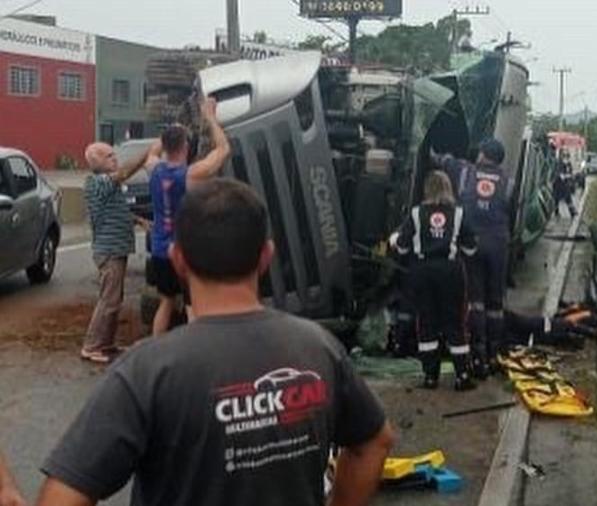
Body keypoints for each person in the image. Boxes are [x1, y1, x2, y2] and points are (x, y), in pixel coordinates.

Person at [37, 179, 394, 506]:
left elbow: (62, 498)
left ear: (178, 260)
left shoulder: (146, 371)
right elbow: (374, 441)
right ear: (266, 257)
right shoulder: (319, 348)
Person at [150, 98, 231, 335]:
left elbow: (154, 150)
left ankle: (157, 349)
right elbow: (224, 149)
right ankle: (195, 350)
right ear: (186, 146)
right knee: (191, 305)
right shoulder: (191, 174)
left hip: (159, 250)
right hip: (184, 251)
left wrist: (172, 128)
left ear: (164, 146)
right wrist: (210, 117)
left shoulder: (153, 168)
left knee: (166, 302)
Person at [392, 171, 478, 391]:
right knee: (456, 322)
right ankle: (462, 376)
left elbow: (402, 247)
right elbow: (470, 248)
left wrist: (397, 240)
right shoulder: (458, 213)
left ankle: (430, 377)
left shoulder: (415, 213)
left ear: (426, 189)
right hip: (451, 271)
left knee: (427, 322)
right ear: (449, 188)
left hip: (423, 272)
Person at [81, 140, 159, 363]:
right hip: (109, 251)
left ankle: (106, 343)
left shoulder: (109, 185)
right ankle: (92, 346)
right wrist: (148, 153)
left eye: (113, 155)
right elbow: (125, 172)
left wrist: (139, 220)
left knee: (115, 299)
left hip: (117, 248)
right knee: (108, 300)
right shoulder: (96, 183)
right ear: (96, 162)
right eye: (109, 156)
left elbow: (116, 210)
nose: (115, 159)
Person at [455, 139, 512, 378]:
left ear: (482, 154)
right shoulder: (509, 181)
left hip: (472, 244)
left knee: (475, 301)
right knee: (495, 302)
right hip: (498, 244)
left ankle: (478, 356)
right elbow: (512, 209)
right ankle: (493, 354)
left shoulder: (466, 171)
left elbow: (443, 160)